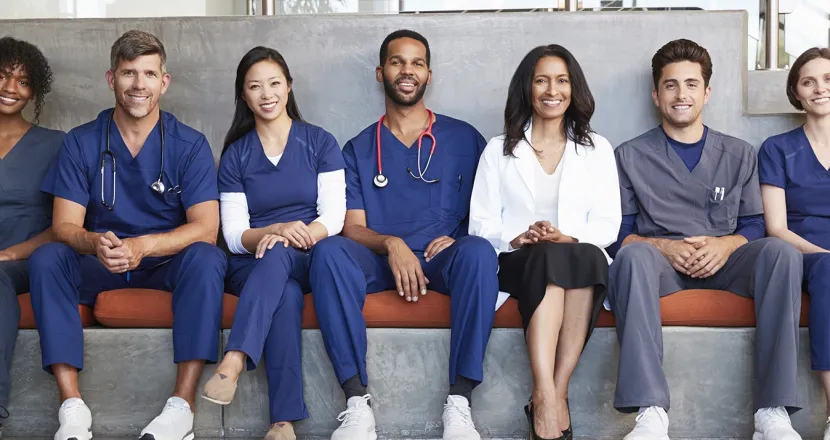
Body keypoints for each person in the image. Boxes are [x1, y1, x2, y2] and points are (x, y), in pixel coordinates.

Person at [28, 30, 226, 440]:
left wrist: (144, 246)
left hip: (165, 264)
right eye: (128, 73)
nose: (139, 84)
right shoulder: (82, 142)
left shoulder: (189, 145)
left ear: (164, 82)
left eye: (149, 74)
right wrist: (94, 242)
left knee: (207, 258)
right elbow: (65, 225)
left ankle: (181, 409)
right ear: (111, 78)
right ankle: (72, 409)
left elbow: (207, 228)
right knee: (47, 258)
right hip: (100, 263)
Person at [607, 38, 803, 440]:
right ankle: (651, 413)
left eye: (692, 84)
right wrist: (663, 247)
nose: (682, 95)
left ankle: (773, 413)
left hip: (728, 262)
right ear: (656, 94)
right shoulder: (629, 155)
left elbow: (753, 224)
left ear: (707, 92)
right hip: (662, 266)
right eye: (671, 85)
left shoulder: (738, 153)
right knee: (632, 257)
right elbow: (619, 234)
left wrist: (726, 245)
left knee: (781, 253)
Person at [307, 29, 498, 440]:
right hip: (378, 262)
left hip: (442, 260)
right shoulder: (358, 148)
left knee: (480, 252)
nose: (407, 70)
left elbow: (487, 210)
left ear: (429, 74)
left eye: (417, 63)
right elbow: (352, 227)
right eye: (397, 62)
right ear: (380, 73)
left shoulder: (464, 139)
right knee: (328, 253)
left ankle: (460, 403)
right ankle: (357, 404)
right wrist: (391, 244)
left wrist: (461, 237)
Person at [469, 44, 621, 440]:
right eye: (541, 80)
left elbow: (609, 223)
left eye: (562, 80)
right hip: (518, 262)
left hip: (577, 255)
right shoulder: (497, 149)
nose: (552, 90)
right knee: (546, 257)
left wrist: (567, 235)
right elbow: (480, 224)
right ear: (527, 88)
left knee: (581, 256)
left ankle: (554, 392)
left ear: (574, 89)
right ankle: (546, 391)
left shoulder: (596, 149)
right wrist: (517, 238)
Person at [200, 46, 346, 440]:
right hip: (252, 262)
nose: (266, 94)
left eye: (274, 83)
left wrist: (300, 233)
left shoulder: (320, 142)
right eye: (255, 86)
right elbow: (232, 235)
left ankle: (234, 357)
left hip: (309, 253)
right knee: (285, 296)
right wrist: (272, 231)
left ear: (289, 86)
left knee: (283, 253)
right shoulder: (236, 155)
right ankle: (282, 424)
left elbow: (333, 216)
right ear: (243, 95)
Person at [758, 47, 830, 440]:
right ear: (796, 92)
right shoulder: (777, 148)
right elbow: (777, 229)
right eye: (809, 81)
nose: (820, 88)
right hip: (804, 257)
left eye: (828, 80)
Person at [0, 36, 64, 439]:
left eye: (23, 81)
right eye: (3, 76)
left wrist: (11, 253)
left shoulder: (56, 145)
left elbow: (65, 225)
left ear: (34, 91)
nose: (10, 88)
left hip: (24, 260)